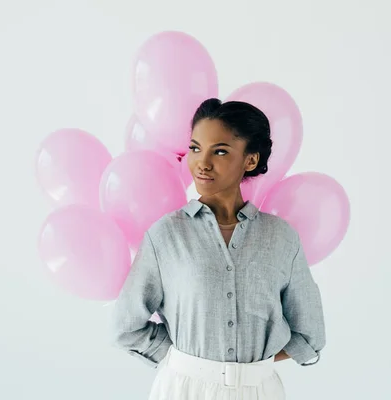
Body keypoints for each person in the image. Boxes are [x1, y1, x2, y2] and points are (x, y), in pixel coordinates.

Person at [110, 98, 326, 399]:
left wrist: (250, 367)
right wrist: (183, 359)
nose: (202, 162)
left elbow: (309, 334)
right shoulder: (166, 235)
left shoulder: (281, 238)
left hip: (260, 391)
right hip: (184, 388)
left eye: (220, 151)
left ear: (250, 160)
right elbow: (126, 326)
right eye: (196, 148)